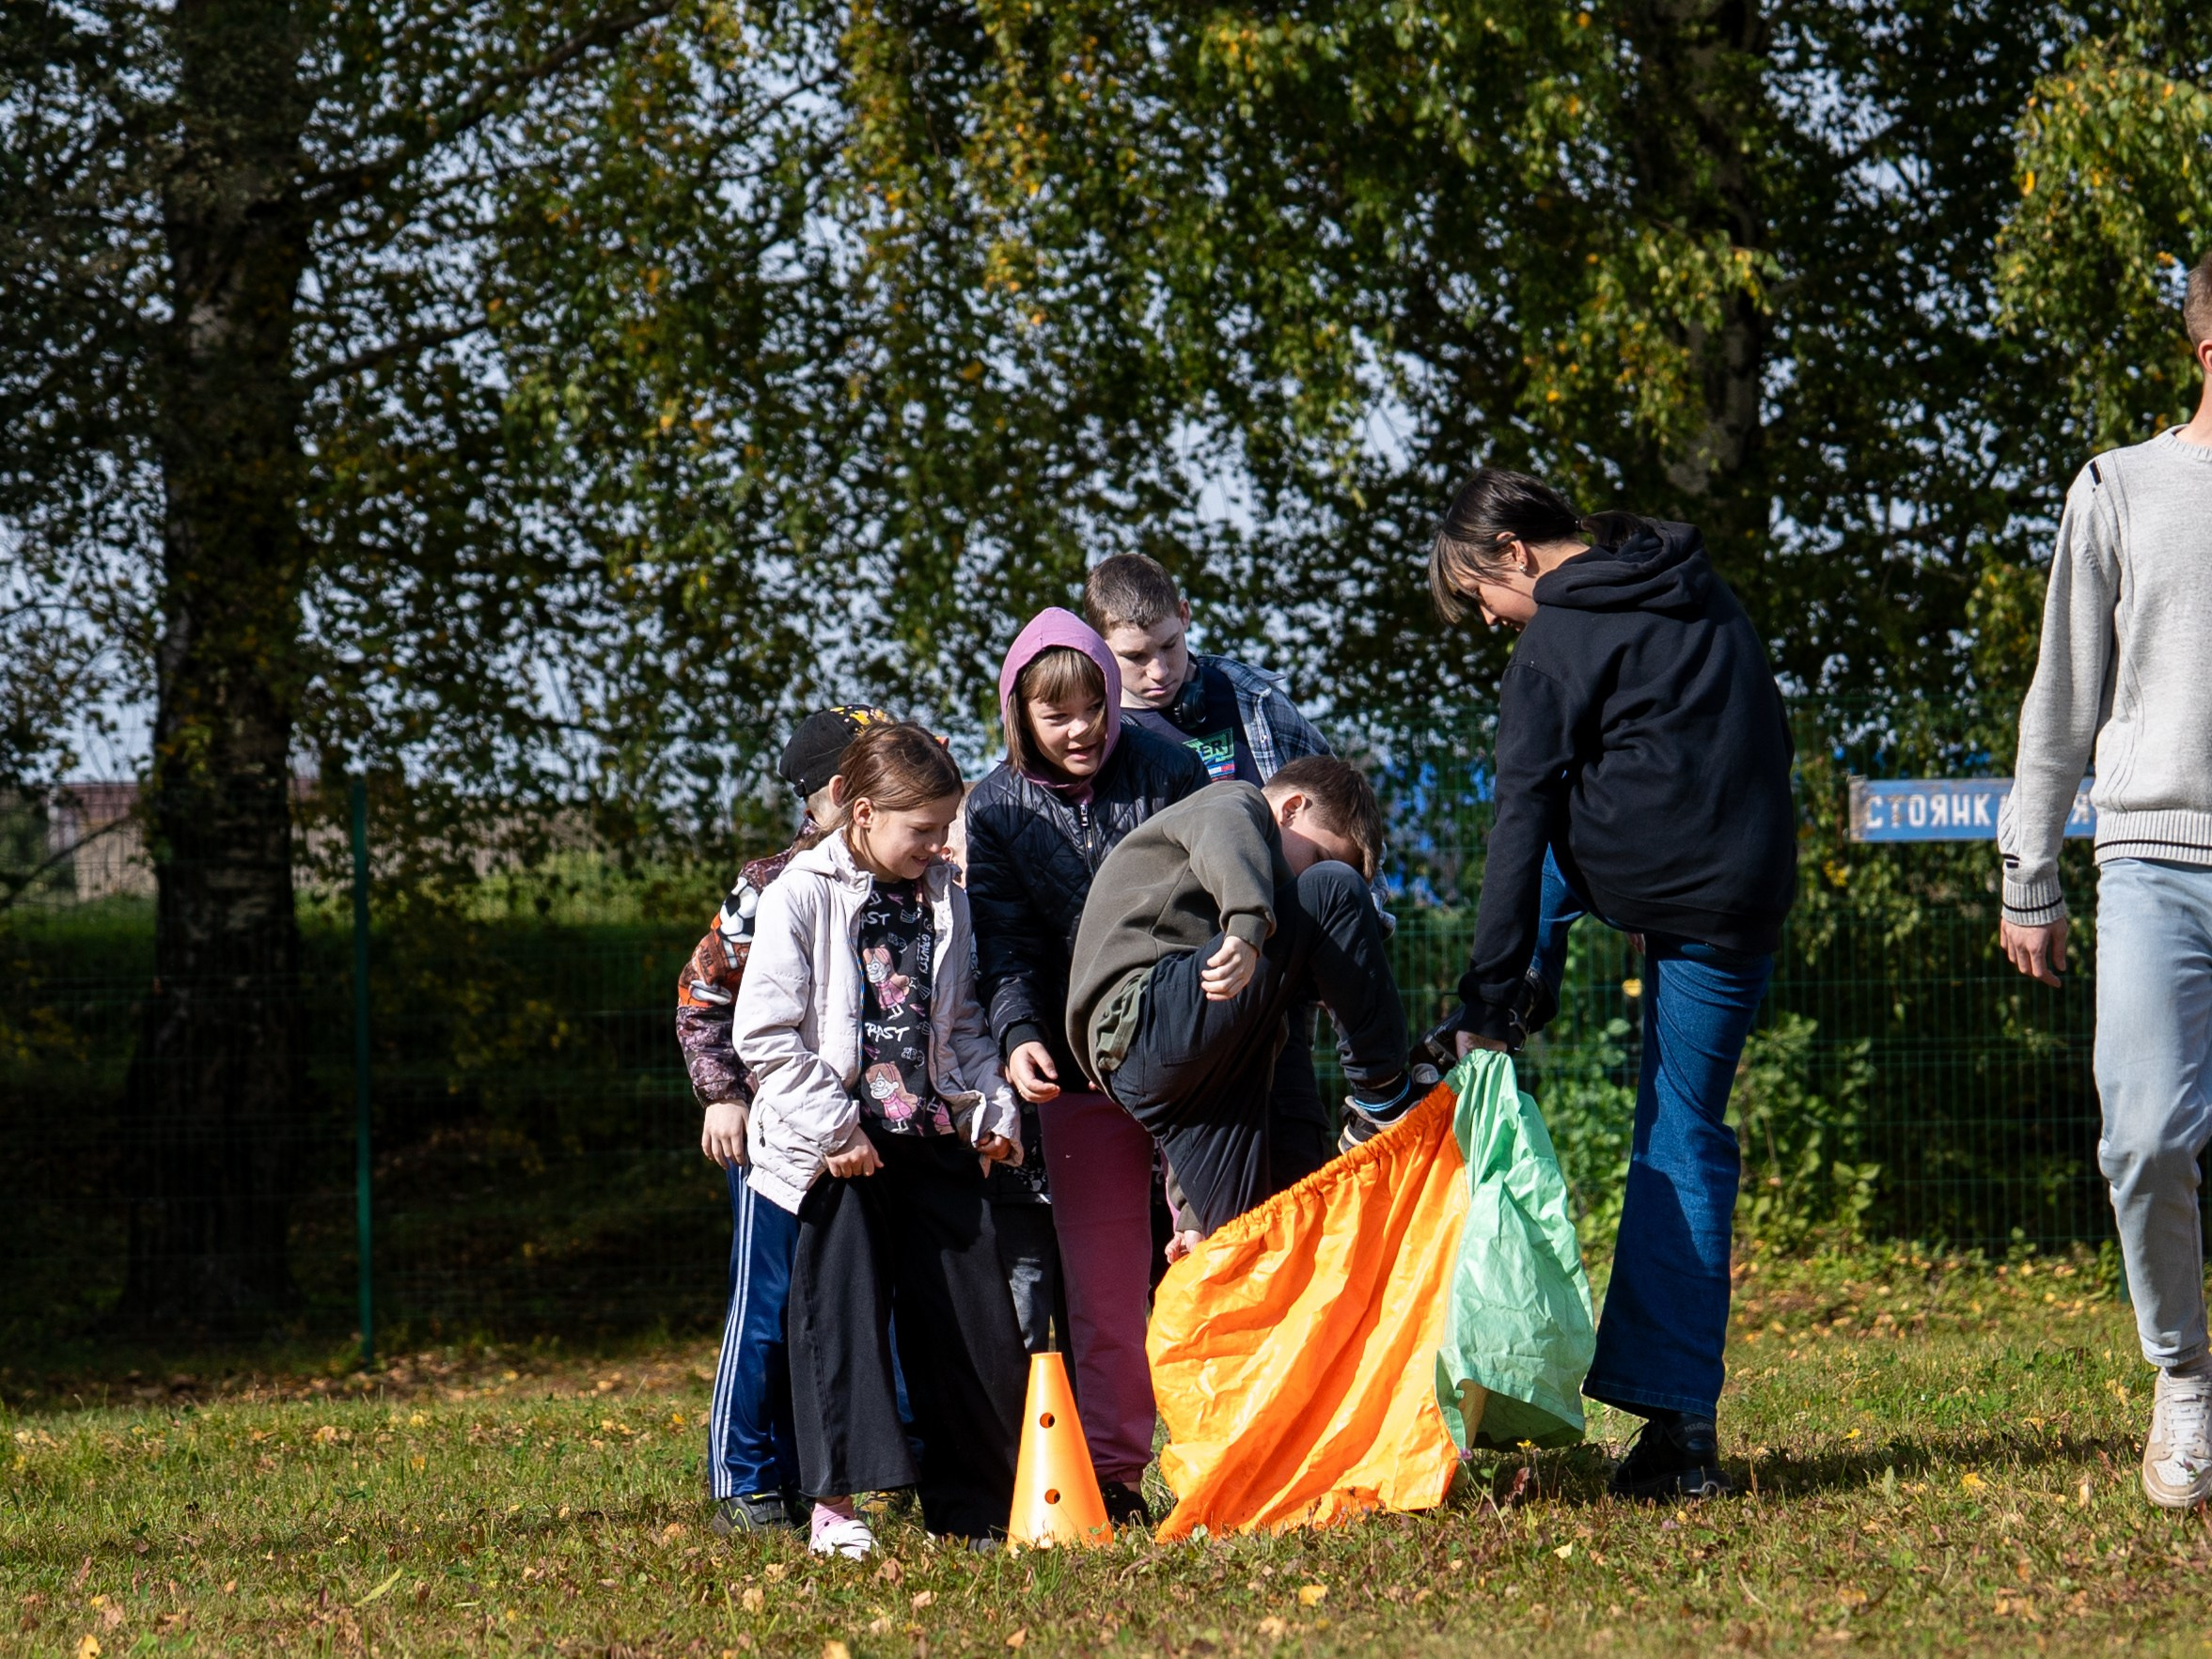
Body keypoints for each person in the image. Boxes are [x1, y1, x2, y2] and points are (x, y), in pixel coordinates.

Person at [1428, 469, 1796, 1503]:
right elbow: (1765, 736)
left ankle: (1497, 1016)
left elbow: (1518, 816)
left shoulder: (1555, 638)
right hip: (1743, 891)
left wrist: (1489, 987)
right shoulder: (1698, 585)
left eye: (1479, 597)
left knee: (1540, 854)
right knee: (1686, 1127)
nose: (1492, 623)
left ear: (1510, 550)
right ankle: (1681, 1434)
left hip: (1655, 877)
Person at [1998, 251, 2212, 1511]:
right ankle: (2182, 1379)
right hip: (2152, 860)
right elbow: (2061, 692)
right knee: (2142, 1139)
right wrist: (2031, 872)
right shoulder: (2119, 489)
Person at [733, 721, 1028, 1557]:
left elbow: (961, 1024)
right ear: (862, 813)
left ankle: (978, 1504)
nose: (939, 845)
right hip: (836, 1149)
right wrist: (835, 1126)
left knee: (973, 1322)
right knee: (840, 1321)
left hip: (930, 1135)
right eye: (923, 830)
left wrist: (990, 1111)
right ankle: (834, 1505)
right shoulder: (801, 890)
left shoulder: (946, 896)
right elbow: (766, 1036)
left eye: (946, 827)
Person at [963, 608, 1209, 1526]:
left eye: (1094, 706)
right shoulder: (992, 809)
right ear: (1019, 713)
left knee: (1203, 1259)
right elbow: (1006, 944)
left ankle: (1222, 1452)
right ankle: (1111, 1472)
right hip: (1071, 1069)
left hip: (1184, 1053)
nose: (1081, 731)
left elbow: (1209, 896)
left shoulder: (1173, 769)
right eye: (1055, 713)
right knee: (1103, 1282)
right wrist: (1018, 1029)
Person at [675, 704, 888, 1536]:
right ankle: (742, 1474)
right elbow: (702, 998)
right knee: (765, 1302)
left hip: (863, 1140)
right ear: (841, 792)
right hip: (775, 1136)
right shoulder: (767, 888)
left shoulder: (904, 878)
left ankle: (820, 1473)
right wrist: (722, 1091)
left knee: (838, 1305)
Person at [1066, 757, 1412, 1239]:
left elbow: (1216, 1065)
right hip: (1140, 1013)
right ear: (1290, 809)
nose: (1304, 877)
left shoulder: (1244, 977)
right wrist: (1247, 928)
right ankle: (1384, 1094)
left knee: (1245, 1242)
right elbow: (1227, 833)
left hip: (1171, 1079)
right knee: (1333, 891)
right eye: (1315, 855)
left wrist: (1190, 1215)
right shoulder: (1234, 800)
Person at [1084, 554, 1347, 1184]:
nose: (1156, 671)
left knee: (1294, 1156)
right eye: (1133, 656)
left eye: (1169, 647)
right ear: (1097, 647)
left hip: (1268, 972)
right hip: (1163, 998)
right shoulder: (1090, 731)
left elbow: (1337, 811)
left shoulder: (1251, 700)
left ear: (1185, 615)